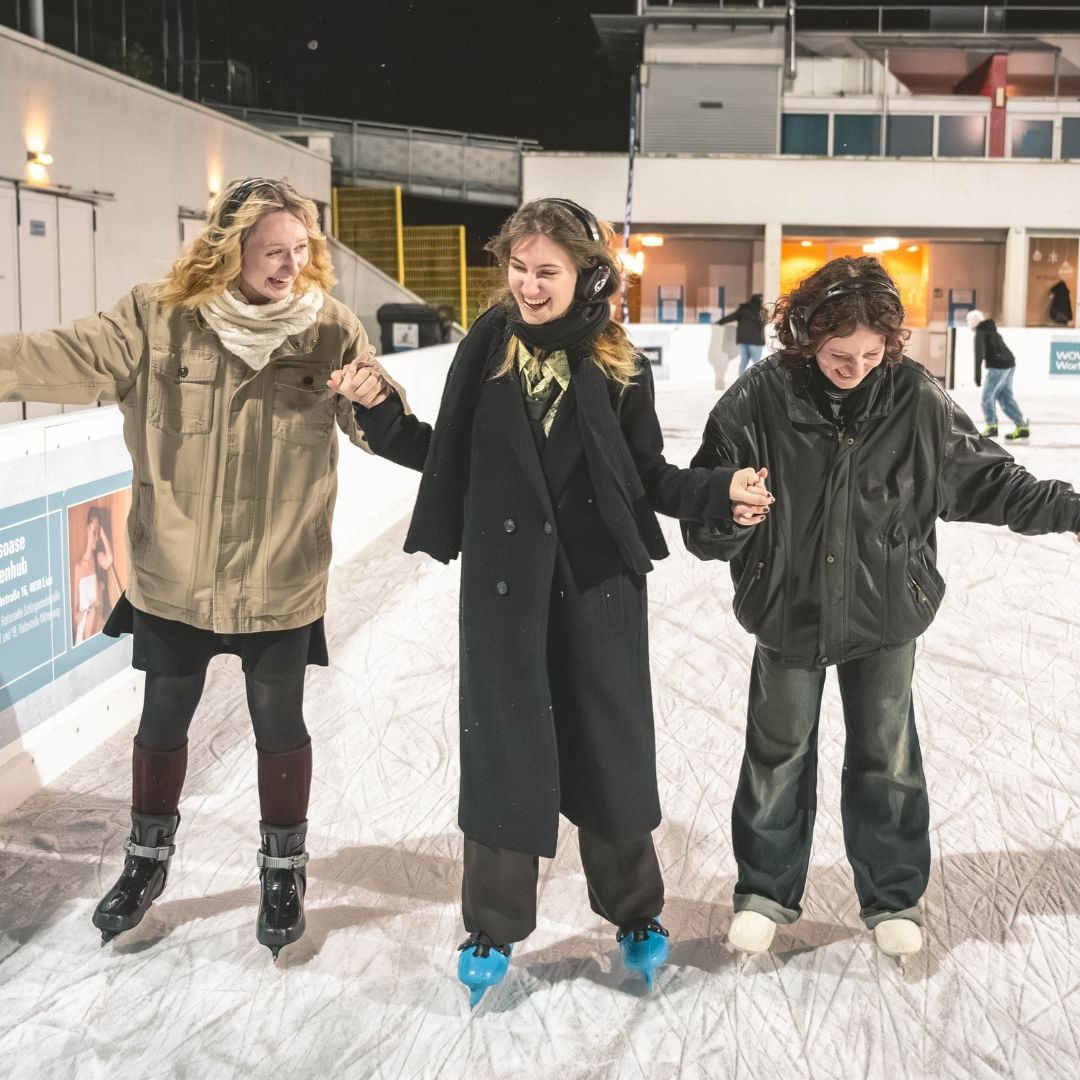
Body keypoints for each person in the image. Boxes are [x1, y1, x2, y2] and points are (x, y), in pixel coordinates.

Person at [329, 198, 772, 1004]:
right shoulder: (486, 351)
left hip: (598, 588)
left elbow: (647, 478)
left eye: (548, 271)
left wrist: (718, 493)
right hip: (504, 591)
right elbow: (444, 459)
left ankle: (637, 914)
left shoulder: (617, 364)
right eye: (519, 268)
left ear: (586, 275)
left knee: (608, 753)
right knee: (504, 754)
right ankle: (491, 927)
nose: (529, 286)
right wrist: (380, 415)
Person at [0, 176, 384, 958]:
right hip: (176, 574)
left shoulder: (328, 330)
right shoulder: (158, 319)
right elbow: (66, 356)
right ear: (229, 248)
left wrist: (378, 398)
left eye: (300, 250)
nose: (289, 265)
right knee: (162, 720)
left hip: (280, 576)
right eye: (272, 250)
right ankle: (146, 861)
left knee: (279, 723)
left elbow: (374, 418)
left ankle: (284, 867)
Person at [683, 256, 1080, 961]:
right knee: (776, 755)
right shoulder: (757, 401)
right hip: (789, 609)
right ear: (806, 336)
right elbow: (702, 516)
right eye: (841, 354)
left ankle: (893, 896)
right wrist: (731, 512)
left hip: (886, 612)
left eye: (872, 354)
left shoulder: (915, 400)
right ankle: (764, 893)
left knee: (886, 757)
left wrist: (1075, 512)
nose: (856, 366)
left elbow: (993, 484)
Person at [966, 309, 1029, 441]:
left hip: (998, 367)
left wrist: (977, 377)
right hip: (1009, 363)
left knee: (986, 398)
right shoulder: (991, 329)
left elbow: (979, 355)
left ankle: (991, 426)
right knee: (1005, 398)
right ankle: (1022, 427)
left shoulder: (980, 331)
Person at [72, 506, 116, 645]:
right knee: (92, 613)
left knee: (96, 612)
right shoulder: (78, 567)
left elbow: (109, 560)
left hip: (96, 620)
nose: (95, 536)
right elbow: (75, 612)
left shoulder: (98, 558)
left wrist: (101, 534)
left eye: (98, 531)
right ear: (87, 528)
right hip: (85, 623)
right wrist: (86, 614)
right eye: (93, 530)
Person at [716, 293, 766, 375]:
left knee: (743, 361)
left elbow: (731, 317)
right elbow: (765, 322)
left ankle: (740, 382)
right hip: (756, 341)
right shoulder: (761, 311)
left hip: (743, 340)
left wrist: (719, 322)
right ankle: (756, 383)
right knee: (757, 363)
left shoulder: (743, 309)